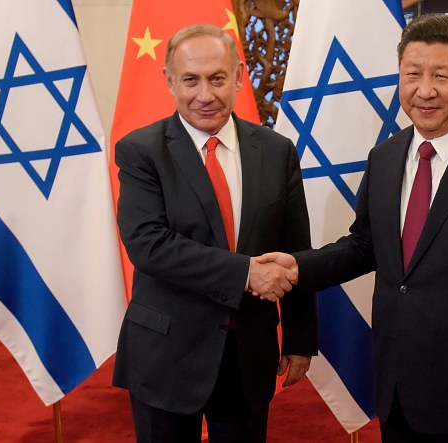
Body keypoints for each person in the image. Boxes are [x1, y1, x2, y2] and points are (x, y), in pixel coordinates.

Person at [259, 14, 448, 442]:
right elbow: (364, 245)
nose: (425, 91)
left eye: (442, 75)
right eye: (412, 74)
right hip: (397, 379)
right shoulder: (385, 155)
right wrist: (298, 267)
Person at [112, 24, 317, 443]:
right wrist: (245, 274)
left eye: (217, 78)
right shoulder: (141, 151)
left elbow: (295, 250)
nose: (205, 94)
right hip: (165, 355)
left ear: (239, 77)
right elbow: (149, 245)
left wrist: (300, 337)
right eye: (190, 80)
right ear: (169, 81)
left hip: (247, 354)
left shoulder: (277, 151)